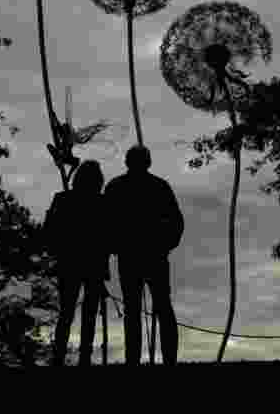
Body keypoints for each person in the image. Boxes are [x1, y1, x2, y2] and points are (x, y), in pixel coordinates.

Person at [103, 145, 184, 365]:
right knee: (156, 308)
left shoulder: (117, 187)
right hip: (143, 255)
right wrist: (164, 244)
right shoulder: (158, 186)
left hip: (141, 255)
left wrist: (164, 244)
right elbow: (105, 224)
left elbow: (176, 223)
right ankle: (160, 361)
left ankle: (140, 362)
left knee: (146, 309)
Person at [44, 160, 109, 366]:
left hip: (72, 263)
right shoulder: (102, 203)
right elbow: (110, 236)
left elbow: (49, 231)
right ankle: (82, 358)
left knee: (67, 312)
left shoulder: (63, 199)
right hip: (90, 264)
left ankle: (61, 357)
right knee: (84, 313)